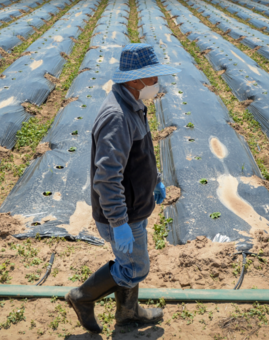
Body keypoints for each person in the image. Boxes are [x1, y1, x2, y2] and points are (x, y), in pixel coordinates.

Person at [65, 43, 181, 333]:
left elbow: (138, 155)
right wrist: (119, 222)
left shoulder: (133, 105)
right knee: (133, 268)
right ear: (135, 79)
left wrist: (154, 180)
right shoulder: (116, 117)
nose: (157, 84)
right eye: (153, 78)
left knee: (129, 262)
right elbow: (107, 177)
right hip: (123, 214)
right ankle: (82, 297)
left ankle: (128, 313)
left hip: (132, 208)